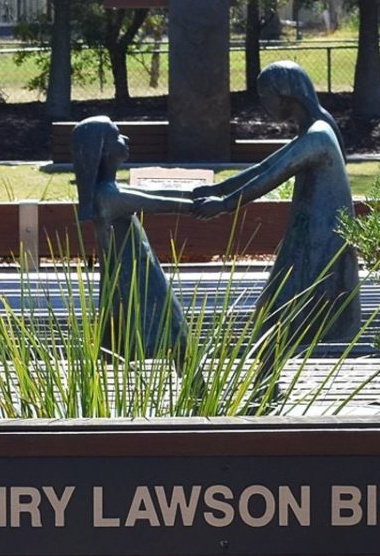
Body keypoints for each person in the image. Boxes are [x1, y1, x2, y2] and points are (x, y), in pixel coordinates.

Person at [191, 61, 359, 345]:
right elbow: (266, 166)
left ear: (285, 93)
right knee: (278, 308)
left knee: (277, 309)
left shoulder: (317, 136)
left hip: (318, 241)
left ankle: (266, 381)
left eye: (265, 95)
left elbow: (272, 176)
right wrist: (218, 188)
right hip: (310, 235)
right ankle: (267, 381)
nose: (263, 103)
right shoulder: (317, 125)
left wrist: (225, 204)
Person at [72, 116, 202, 358]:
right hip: (138, 280)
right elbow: (155, 202)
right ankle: (197, 387)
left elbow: (152, 193)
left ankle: (195, 384)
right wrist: (197, 206)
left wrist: (204, 194)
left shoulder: (109, 189)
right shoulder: (107, 195)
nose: (126, 138)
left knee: (170, 331)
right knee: (173, 330)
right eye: (117, 136)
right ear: (103, 149)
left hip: (137, 275)